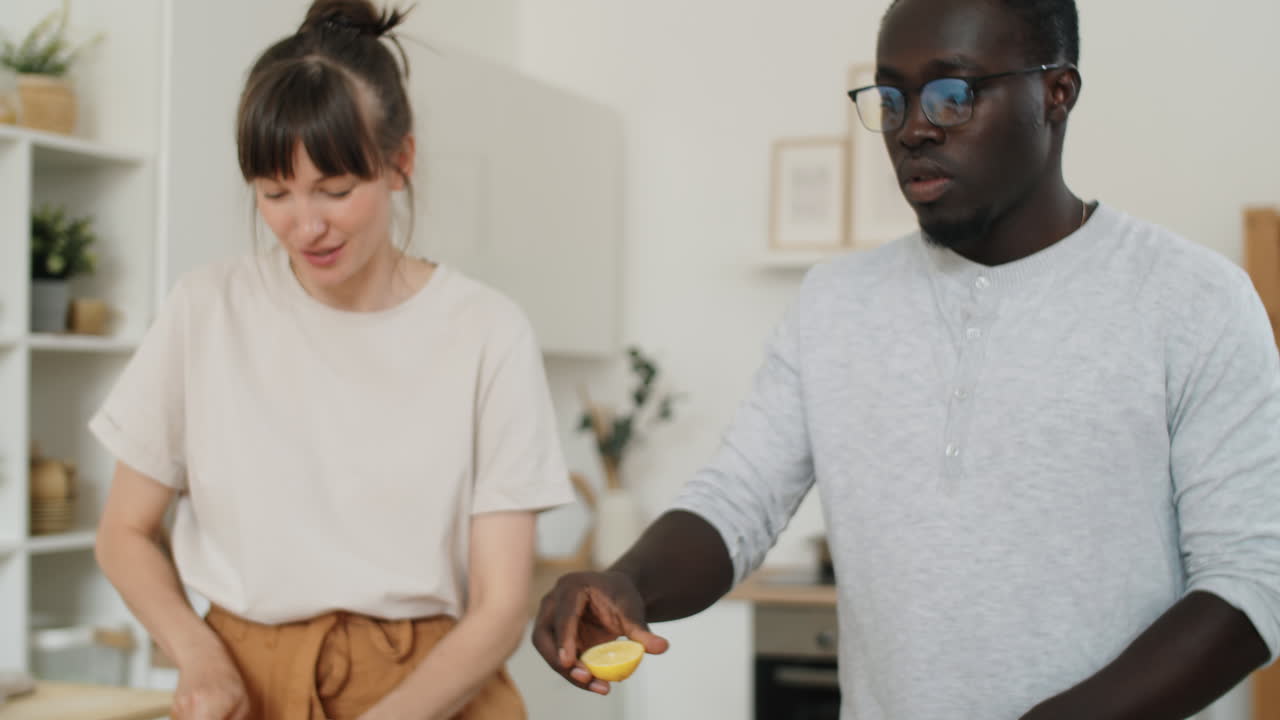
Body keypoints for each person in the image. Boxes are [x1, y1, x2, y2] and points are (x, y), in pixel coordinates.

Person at [532, 0, 1280, 717]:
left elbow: (1252, 583)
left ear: (1056, 94)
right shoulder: (835, 302)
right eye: (892, 99)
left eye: (953, 95)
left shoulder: (1194, 300)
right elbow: (738, 501)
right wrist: (624, 581)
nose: (913, 129)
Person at [92, 1, 572, 718]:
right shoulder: (205, 309)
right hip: (246, 683)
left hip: (432, 689)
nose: (305, 225)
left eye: (335, 191)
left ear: (399, 162)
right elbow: (123, 533)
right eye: (275, 194)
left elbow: (501, 608)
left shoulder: (486, 331)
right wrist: (200, 657)